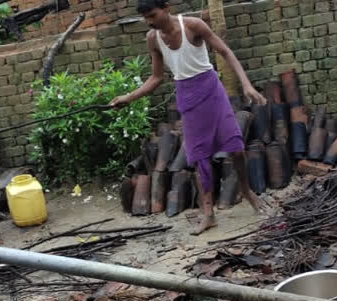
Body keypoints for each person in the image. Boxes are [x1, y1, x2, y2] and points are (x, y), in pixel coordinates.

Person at [110, 0, 266, 235]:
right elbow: (156, 78)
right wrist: (128, 98)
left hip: (211, 89)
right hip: (187, 95)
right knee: (198, 157)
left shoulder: (193, 26)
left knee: (235, 147)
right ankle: (208, 214)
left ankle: (246, 191)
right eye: (146, 19)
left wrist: (246, 85)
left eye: (153, 15)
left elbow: (225, 51)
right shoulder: (153, 38)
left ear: (166, 8)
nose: (150, 22)